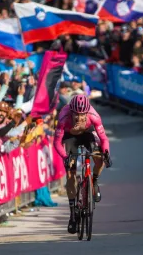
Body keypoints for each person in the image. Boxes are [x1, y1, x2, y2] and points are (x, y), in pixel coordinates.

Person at [53, 95, 112, 234]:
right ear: (71, 112)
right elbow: (56, 142)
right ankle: (73, 214)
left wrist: (106, 153)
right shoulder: (63, 116)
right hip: (70, 136)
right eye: (76, 115)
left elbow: (103, 138)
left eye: (82, 114)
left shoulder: (94, 116)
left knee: (99, 157)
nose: (79, 118)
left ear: (87, 112)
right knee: (70, 172)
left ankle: (95, 181)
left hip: (87, 133)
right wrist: (65, 157)